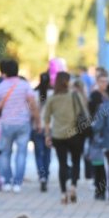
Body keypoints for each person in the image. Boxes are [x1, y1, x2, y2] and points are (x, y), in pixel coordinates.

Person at [0, 59, 41, 193]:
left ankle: (7, 181)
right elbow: (33, 104)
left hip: (6, 124)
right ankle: (17, 183)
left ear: (3, 72)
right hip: (23, 124)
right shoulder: (25, 85)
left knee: (5, 153)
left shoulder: (0, 87)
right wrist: (38, 121)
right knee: (21, 153)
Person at [43, 72, 90, 204]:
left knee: (62, 164)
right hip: (75, 134)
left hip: (58, 136)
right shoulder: (75, 95)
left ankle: (63, 194)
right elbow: (85, 113)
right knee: (76, 162)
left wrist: (47, 135)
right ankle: (73, 187)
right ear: (68, 82)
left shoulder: (52, 98)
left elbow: (46, 119)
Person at [87, 69, 109, 195]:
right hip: (96, 132)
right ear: (97, 82)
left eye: (106, 81)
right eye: (101, 81)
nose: (104, 84)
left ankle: (104, 185)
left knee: (108, 161)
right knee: (97, 160)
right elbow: (90, 114)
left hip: (108, 132)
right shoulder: (94, 96)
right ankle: (99, 186)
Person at [32, 72, 52, 192]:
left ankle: (42, 176)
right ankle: (46, 175)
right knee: (47, 153)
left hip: (37, 127)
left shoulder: (34, 94)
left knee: (39, 154)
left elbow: (31, 112)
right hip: (50, 127)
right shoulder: (53, 94)